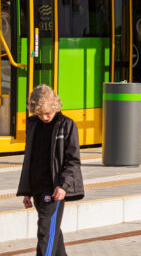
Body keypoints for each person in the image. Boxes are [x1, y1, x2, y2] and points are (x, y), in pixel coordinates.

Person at [18, 84, 84, 256]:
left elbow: (73, 160)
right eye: (40, 114)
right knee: (52, 231)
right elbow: (29, 159)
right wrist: (27, 190)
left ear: (55, 107)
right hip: (37, 187)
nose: (44, 117)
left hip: (54, 189)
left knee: (45, 232)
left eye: (47, 113)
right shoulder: (33, 124)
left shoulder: (67, 125)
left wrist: (63, 186)